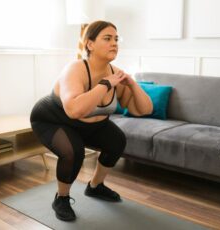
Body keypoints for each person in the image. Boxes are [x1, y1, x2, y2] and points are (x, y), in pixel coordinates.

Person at [30, 20, 153, 221]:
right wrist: (105, 84)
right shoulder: (76, 69)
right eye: (107, 38)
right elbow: (74, 110)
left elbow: (144, 109)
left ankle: (95, 186)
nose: (114, 43)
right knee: (73, 152)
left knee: (117, 141)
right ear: (90, 44)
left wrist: (132, 84)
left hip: (93, 124)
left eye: (116, 39)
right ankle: (61, 198)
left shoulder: (116, 74)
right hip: (53, 119)